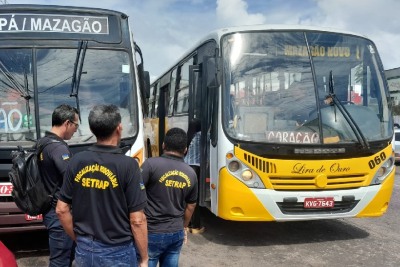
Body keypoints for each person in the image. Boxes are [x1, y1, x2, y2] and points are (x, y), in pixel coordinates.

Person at [56, 104, 148, 267]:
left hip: (84, 250)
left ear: (92, 130)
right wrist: (145, 257)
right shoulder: (128, 165)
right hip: (118, 252)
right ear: (119, 128)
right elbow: (137, 220)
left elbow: (62, 209)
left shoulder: (76, 160)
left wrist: (80, 240)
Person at [141, 127, 198, 267]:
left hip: (151, 231)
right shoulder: (191, 173)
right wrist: (184, 226)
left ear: (163, 145)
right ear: (185, 150)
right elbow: (191, 205)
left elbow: (136, 194)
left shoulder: (150, 165)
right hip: (176, 232)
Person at [39, 104, 79, 267]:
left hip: (50, 209)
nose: (76, 130)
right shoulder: (57, 147)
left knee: (66, 257)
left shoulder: (43, 142)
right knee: (60, 260)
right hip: (59, 213)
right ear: (67, 123)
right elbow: (72, 178)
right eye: (76, 125)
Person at [184, 119, 205, 234]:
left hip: (186, 166)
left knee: (186, 198)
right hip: (197, 168)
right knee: (194, 199)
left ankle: (186, 225)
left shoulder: (188, 137)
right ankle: (195, 226)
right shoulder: (202, 136)